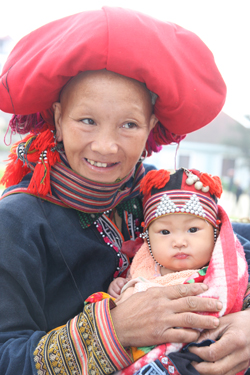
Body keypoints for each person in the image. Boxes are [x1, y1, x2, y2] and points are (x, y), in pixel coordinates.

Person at [0, 6, 249, 375]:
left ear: (151, 126)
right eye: (87, 120)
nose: (106, 146)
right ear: (57, 117)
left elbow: (237, 246)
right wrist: (115, 329)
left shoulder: (160, 193)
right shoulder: (16, 223)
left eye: (128, 125)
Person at [106, 168, 248, 374]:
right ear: (147, 238)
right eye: (164, 232)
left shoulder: (222, 273)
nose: (179, 242)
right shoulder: (143, 267)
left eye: (193, 230)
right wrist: (121, 287)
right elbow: (127, 292)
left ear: (215, 234)